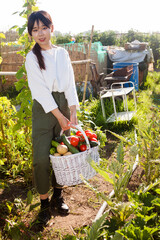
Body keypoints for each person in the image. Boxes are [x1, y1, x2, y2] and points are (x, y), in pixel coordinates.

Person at [25, 10, 79, 224]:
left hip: (64, 105)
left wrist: (72, 111)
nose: (40, 33)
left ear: (51, 28)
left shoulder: (62, 53)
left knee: (61, 155)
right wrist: (59, 116)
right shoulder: (32, 57)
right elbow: (40, 91)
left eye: (44, 28)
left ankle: (58, 195)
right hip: (44, 109)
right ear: (31, 33)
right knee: (40, 159)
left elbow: (70, 83)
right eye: (35, 30)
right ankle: (44, 203)